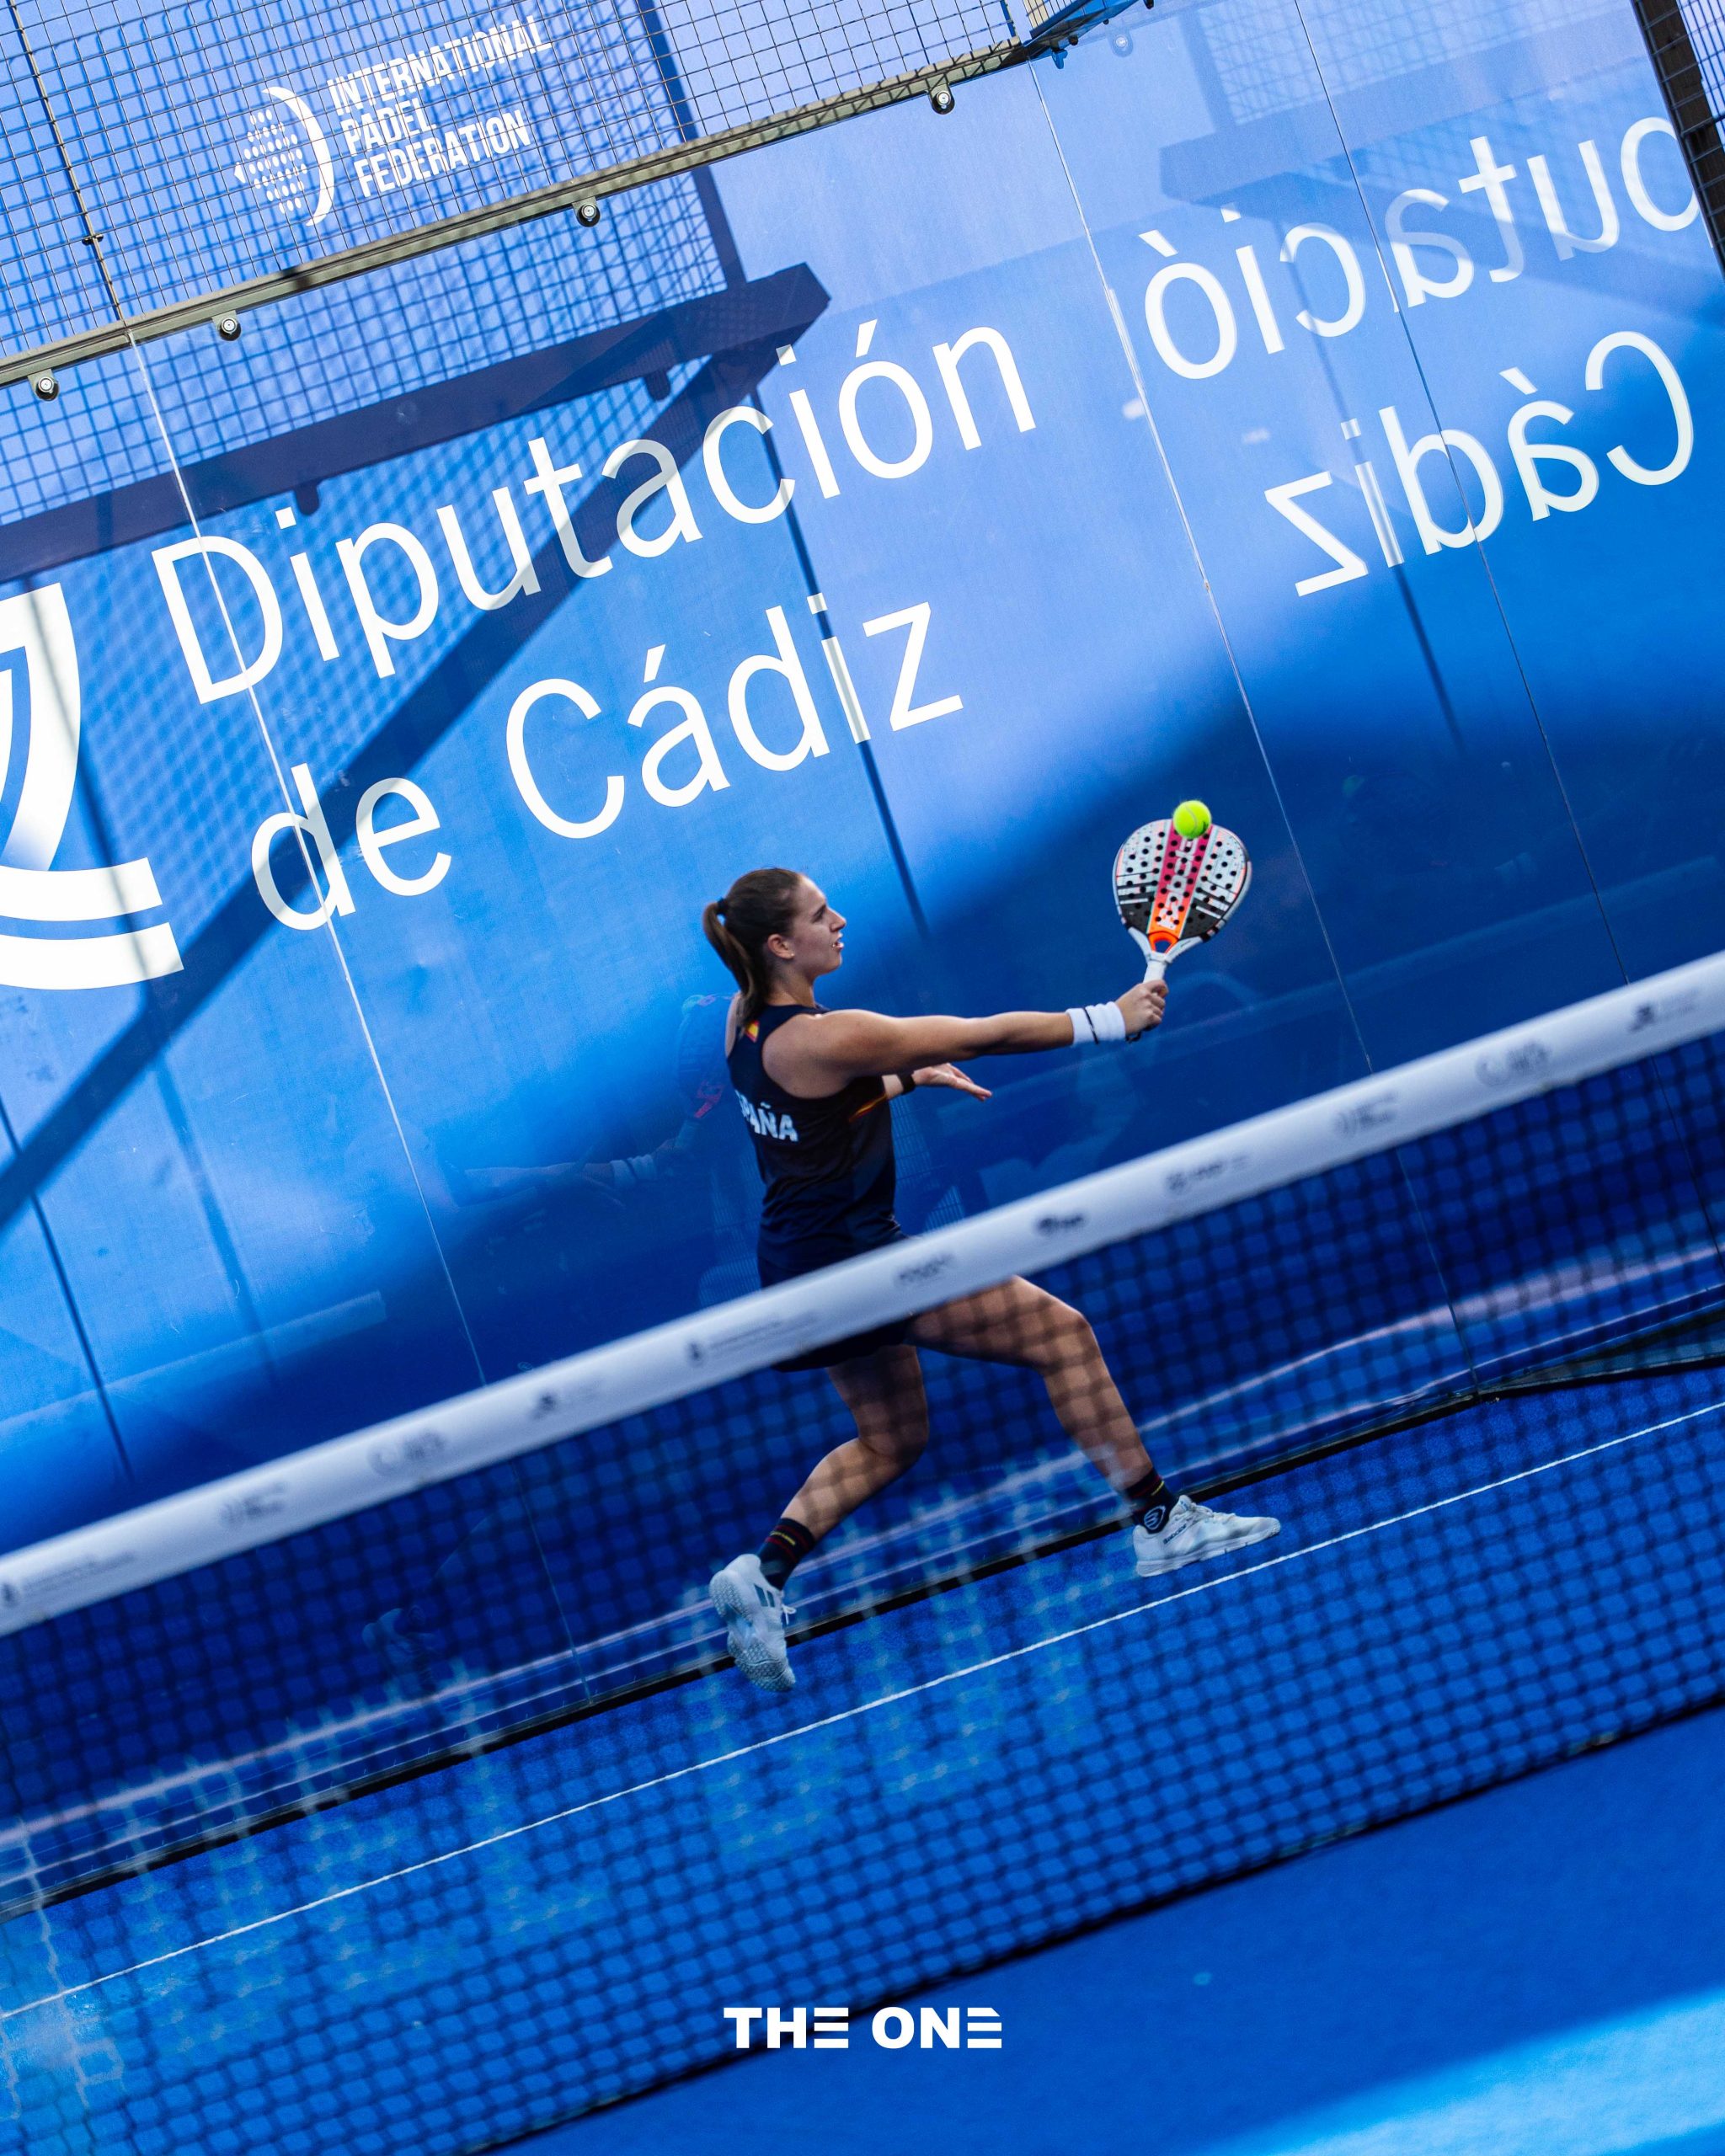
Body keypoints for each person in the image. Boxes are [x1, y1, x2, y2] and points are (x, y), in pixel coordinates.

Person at [702, 867, 1279, 1694]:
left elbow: (814, 1105)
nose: (840, 920)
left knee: (890, 1439)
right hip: (860, 1261)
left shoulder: (744, 1021)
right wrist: (1108, 1019)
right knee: (1061, 1335)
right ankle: (1159, 1521)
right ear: (780, 944)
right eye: (820, 914)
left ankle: (763, 1574)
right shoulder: (831, 1035)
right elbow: (980, 1035)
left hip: (797, 1265)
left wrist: (906, 1078)